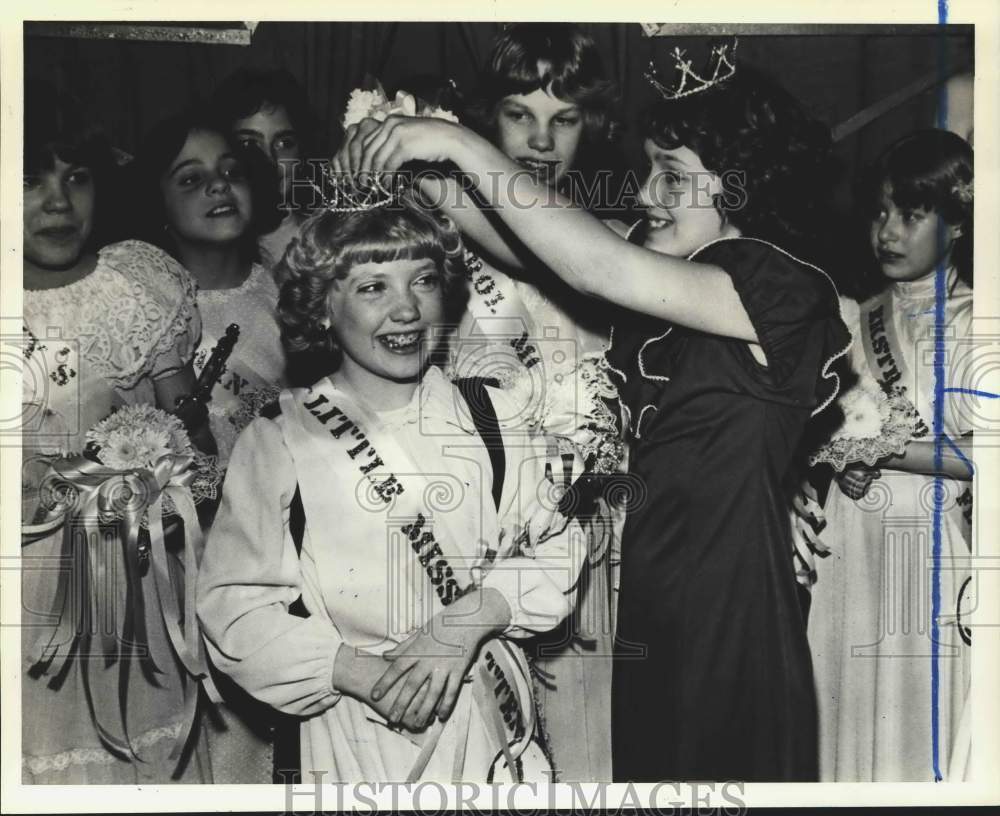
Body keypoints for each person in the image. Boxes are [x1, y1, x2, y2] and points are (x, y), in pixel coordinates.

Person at [345, 44, 851, 781]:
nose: (649, 193)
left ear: (743, 186)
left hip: (729, 594)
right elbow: (537, 250)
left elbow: (591, 262)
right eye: (650, 168)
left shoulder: (781, 286)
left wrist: (457, 142)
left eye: (673, 175)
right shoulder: (679, 275)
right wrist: (420, 167)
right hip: (655, 586)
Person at [196, 189, 588, 782]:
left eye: (423, 281)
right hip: (358, 734)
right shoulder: (281, 439)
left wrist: (467, 622)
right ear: (323, 306)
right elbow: (233, 609)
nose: (406, 310)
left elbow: (559, 546)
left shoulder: (492, 415)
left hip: (491, 721)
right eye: (373, 286)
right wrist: (357, 672)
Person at [381, 24, 627, 781]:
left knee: (588, 747)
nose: (541, 139)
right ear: (488, 122)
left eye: (565, 119)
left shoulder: (617, 244)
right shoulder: (438, 246)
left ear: (597, 127)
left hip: (594, 533)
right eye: (520, 115)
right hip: (473, 532)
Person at [21, 80, 211, 783]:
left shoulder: (135, 287)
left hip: (124, 584)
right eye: (29, 181)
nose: (59, 203)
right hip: (21, 593)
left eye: (76, 178)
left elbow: (195, 445)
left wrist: (161, 477)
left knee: (135, 756)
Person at [806, 130, 974, 781]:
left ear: (956, 223)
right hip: (853, 542)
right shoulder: (854, 319)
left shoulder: (972, 324)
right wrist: (839, 455)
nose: (889, 231)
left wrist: (878, 447)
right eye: (880, 212)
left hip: (929, 547)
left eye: (911, 213)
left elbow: (980, 454)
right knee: (848, 719)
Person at [131, 110, 287, 467]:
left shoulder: (287, 293)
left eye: (232, 172)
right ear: (157, 204)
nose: (219, 185)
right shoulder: (143, 307)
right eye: (190, 179)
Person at [211, 68, 321, 265]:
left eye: (285, 143)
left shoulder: (323, 239)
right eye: (249, 144)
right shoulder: (205, 244)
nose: (270, 159)